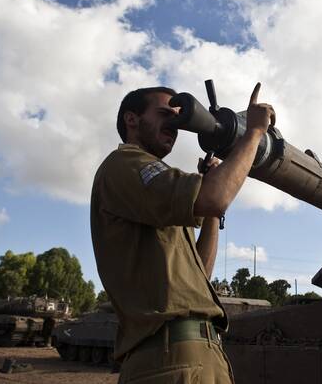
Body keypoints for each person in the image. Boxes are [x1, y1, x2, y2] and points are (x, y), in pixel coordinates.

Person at [91, 83, 275, 384]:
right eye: (164, 114)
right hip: (169, 355)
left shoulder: (155, 200)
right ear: (131, 119)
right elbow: (214, 197)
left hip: (199, 352)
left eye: (178, 118)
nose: (175, 125)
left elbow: (200, 273)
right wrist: (254, 132)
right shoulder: (124, 164)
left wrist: (212, 212)